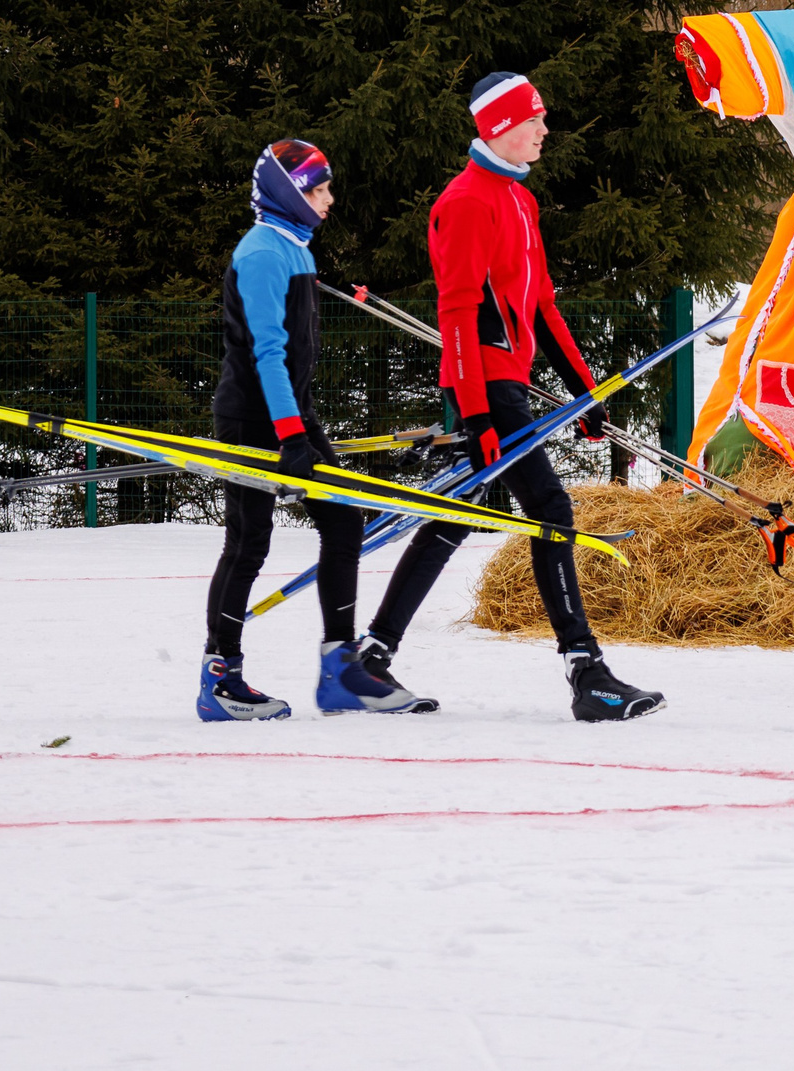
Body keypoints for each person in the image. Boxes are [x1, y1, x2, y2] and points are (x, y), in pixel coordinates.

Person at [367, 73, 663, 721]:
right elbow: (457, 313)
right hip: (485, 383)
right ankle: (587, 671)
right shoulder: (468, 201)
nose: (544, 129)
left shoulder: (519, 201)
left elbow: (544, 307)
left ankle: (372, 655)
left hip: (506, 380)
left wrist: (586, 392)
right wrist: (476, 412)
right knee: (551, 507)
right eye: (535, 119)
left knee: (453, 515)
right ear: (500, 125)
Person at [199, 140, 412, 723]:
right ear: (289, 195)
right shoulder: (264, 252)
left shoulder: (294, 248)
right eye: (318, 190)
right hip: (252, 416)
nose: (329, 199)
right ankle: (221, 677)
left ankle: (340, 669)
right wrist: (290, 437)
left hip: (290, 412)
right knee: (248, 544)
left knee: (344, 519)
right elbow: (268, 352)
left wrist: (299, 427)